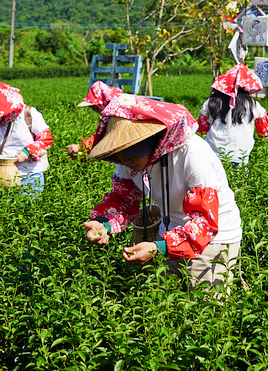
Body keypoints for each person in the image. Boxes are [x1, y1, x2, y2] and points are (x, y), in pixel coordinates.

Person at [82, 92, 242, 292]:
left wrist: (160, 247)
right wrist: (103, 224)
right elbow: (123, 200)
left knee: (206, 308)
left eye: (129, 155)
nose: (124, 163)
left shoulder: (193, 155)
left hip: (214, 239)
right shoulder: (127, 160)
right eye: (119, 156)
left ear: (149, 143)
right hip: (169, 233)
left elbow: (205, 221)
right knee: (168, 302)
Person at [0, 80, 53, 194]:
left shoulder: (28, 114)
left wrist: (27, 152)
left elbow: (46, 139)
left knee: (27, 210)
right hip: (0, 177)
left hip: (29, 177)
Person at [197, 63, 268, 166]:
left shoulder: (211, 101)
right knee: (239, 180)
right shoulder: (253, 105)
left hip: (213, 151)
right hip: (240, 154)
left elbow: (202, 127)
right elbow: (265, 131)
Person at [66, 81, 122, 159]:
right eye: (93, 109)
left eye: (96, 107)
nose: (96, 111)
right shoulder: (112, 114)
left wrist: (82, 147)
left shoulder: (118, 116)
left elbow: (107, 138)